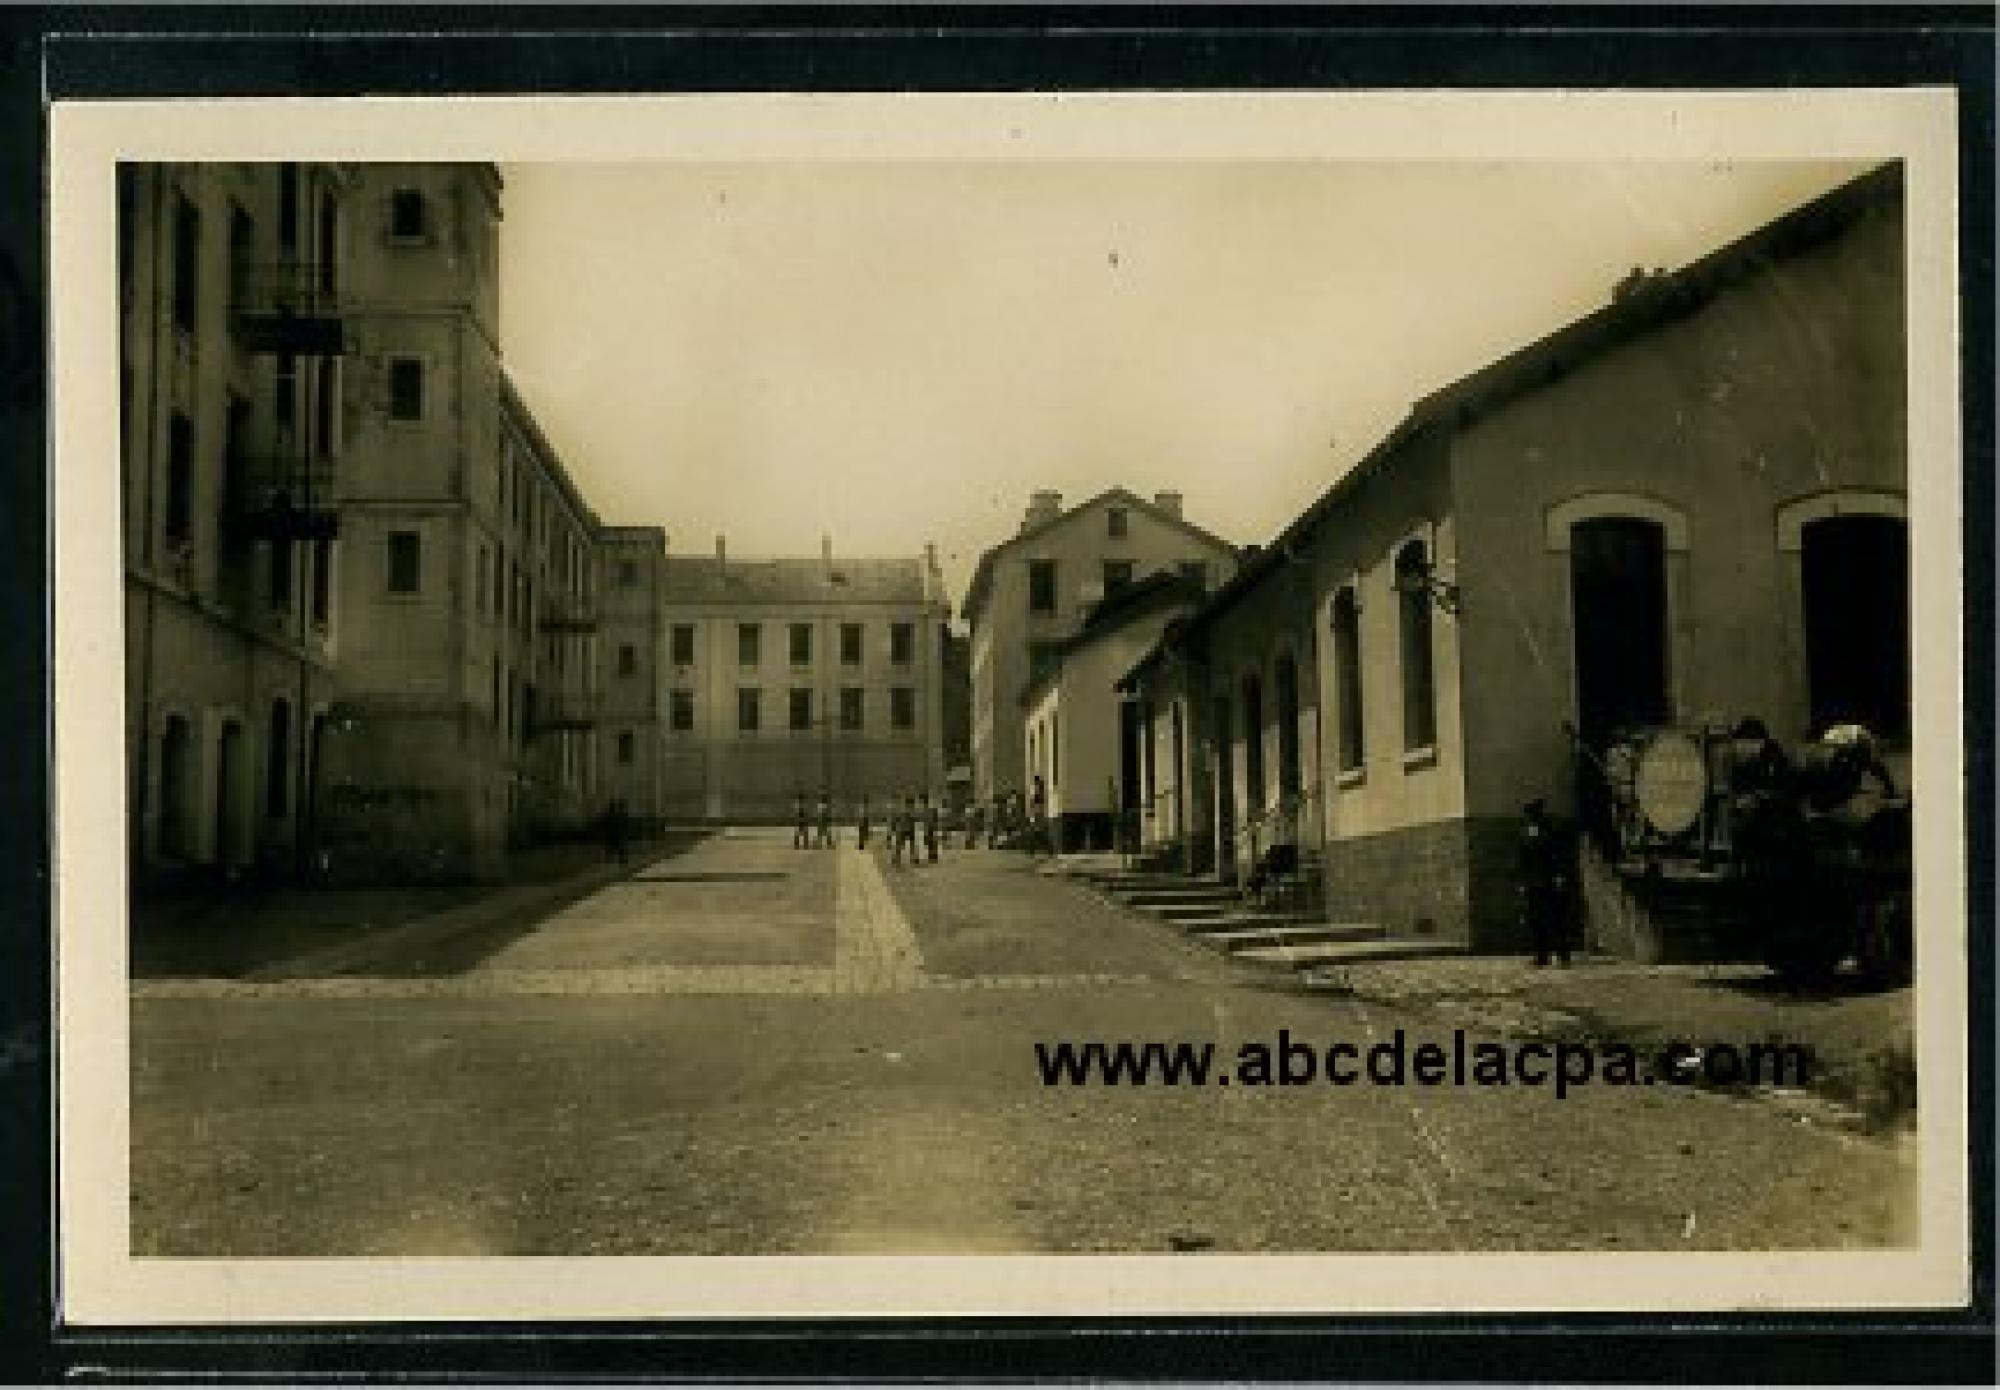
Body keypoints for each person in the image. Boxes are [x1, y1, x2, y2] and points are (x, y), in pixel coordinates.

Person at [1519, 797, 1574, 967]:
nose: (1532, 818)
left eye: (1534, 814)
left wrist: (1559, 875)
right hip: (1533, 883)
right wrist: (1522, 882)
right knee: (1536, 920)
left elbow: (1558, 855)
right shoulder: (1525, 833)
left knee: (1556, 919)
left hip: (1549, 881)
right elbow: (1522, 859)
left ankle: (1563, 955)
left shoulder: (1551, 831)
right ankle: (1541, 955)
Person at [602, 798, 631, 867]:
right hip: (618, 834)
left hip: (614, 834)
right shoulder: (621, 815)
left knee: (614, 847)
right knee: (620, 847)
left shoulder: (611, 815)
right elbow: (625, 825)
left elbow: (606, 825)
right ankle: (620, 860)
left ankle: (612, 859)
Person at [922, 793, 941, 864]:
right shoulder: (932, 809)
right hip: (931, 828)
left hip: (929, 828)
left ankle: (932, 856)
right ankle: (933, 856)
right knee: (931, 843)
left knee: (931, 843)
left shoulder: (925, 810)